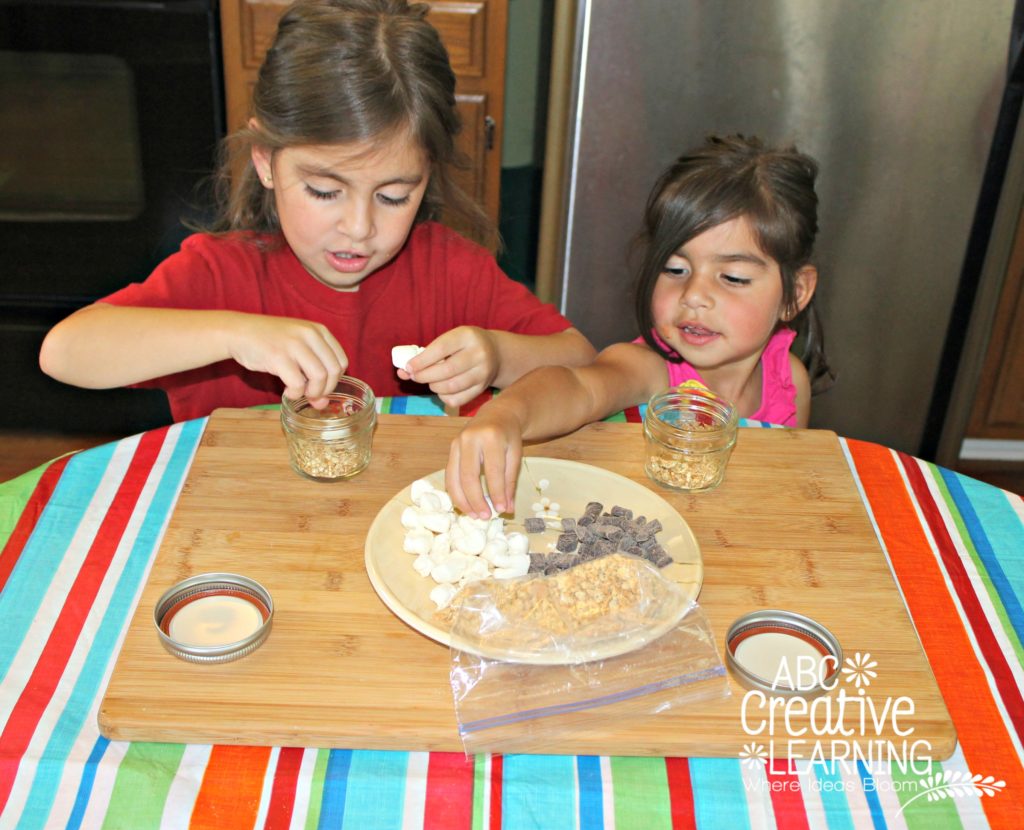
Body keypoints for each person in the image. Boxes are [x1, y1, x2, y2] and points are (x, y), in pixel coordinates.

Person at [39, 0, 594, 421]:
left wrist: (497, 356)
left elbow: (580, 359)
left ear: (428, 178)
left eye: (394, 196)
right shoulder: (220, 275)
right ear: (266, 162)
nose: (359, 227)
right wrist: (235, 336)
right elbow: (64, 352)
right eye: (325, 191)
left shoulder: (451, 271)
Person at [447, 134, 834, 518]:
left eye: (732, 277)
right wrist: (507, 415)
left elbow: (785, 487)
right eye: (675, 270)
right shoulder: (650, 369)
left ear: (795, 293)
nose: (693, 295)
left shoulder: (790, 381)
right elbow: (576, 386)